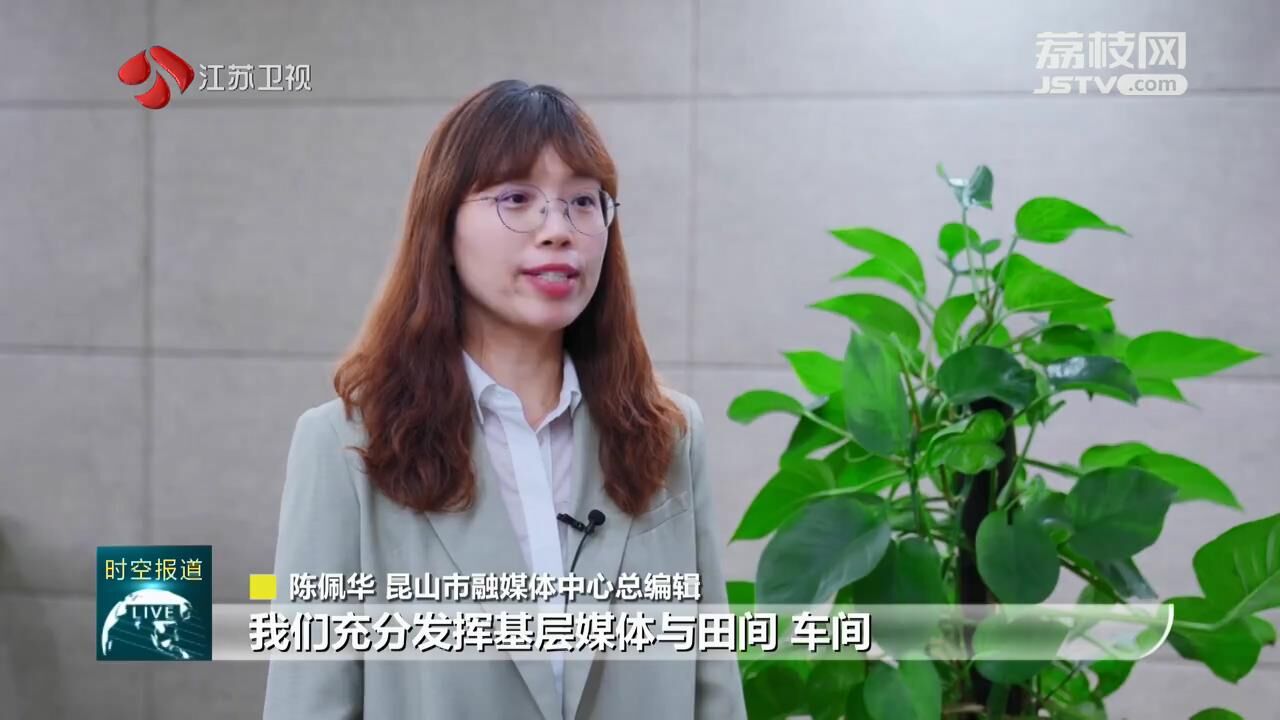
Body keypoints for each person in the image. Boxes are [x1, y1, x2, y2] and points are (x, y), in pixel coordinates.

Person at [262, 79, 747, 720]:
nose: (558, 230)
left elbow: (713, 688)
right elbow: (308, 703)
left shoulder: (670, 433)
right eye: (517, 198)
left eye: (583, 201)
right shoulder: (345, 448)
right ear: (443, 226)